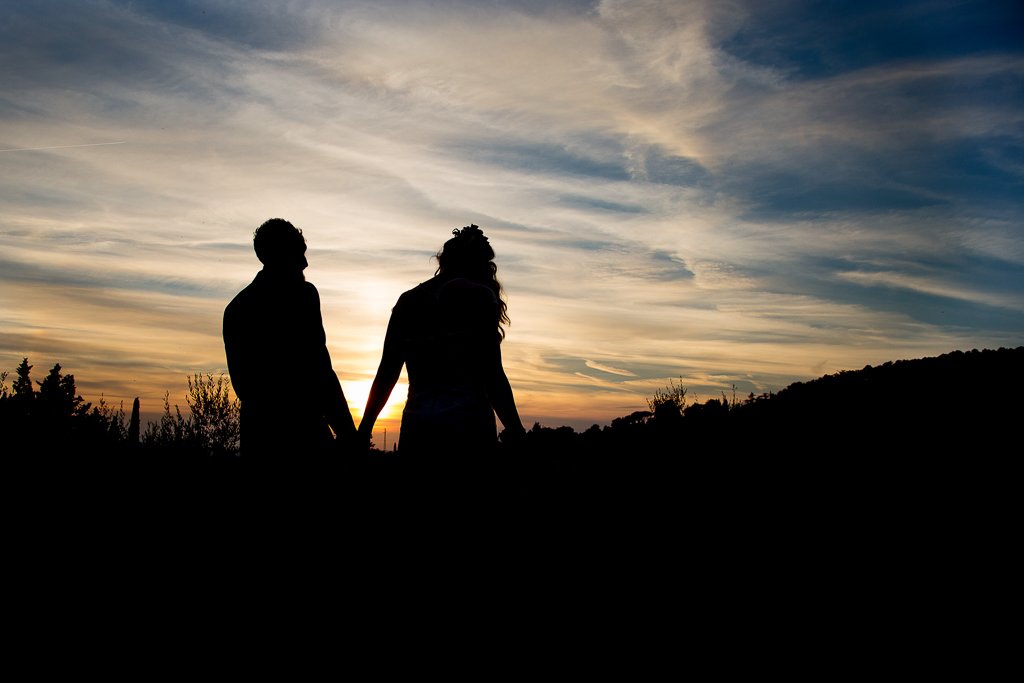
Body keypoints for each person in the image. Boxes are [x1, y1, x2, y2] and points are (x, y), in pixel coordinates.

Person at [359, 224, 526, 473]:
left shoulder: (409, 300)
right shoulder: (480, 298)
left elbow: (387, 372)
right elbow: (491, 374)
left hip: (418, 426)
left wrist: (364, 429)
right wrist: (515, 430)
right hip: (469, 427)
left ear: (442, 261)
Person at [223, 218, 357, 459]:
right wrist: (347, 432)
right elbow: (320, 370)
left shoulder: (237, 308)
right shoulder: (303, 296)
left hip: (260, 439)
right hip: (303, 437)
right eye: (299, 255)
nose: (305, 263)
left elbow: (243, 385)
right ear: (279, 257)